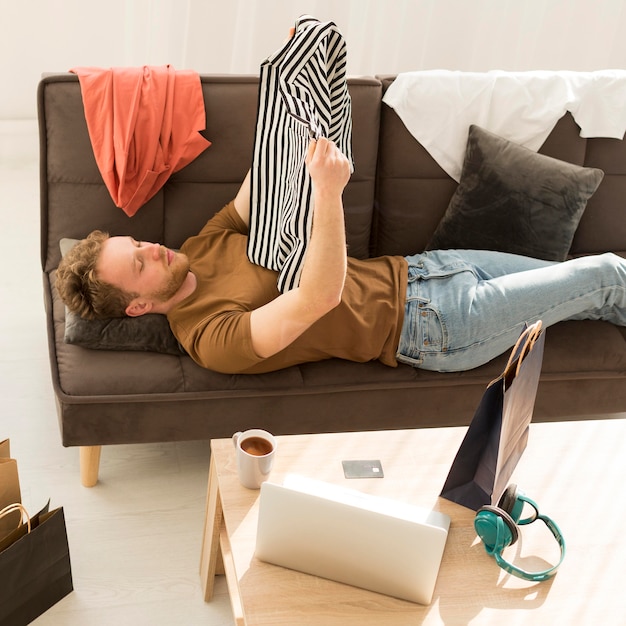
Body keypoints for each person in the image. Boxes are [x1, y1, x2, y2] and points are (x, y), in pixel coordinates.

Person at [56, 131, 626, 375]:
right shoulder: (209, 339)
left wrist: (289, 81)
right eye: (140, 264)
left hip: (431, 269)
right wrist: (328, 192)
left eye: (139, 244)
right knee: (605, 275)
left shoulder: (198, 246)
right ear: (136, 307)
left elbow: (262, 180)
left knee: (600, 293)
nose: (154, 249)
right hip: (434, 327)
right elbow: (317, 299)